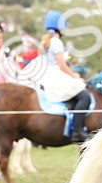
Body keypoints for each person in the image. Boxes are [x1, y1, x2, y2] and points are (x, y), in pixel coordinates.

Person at [39, 10, 92, 144]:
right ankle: (77, 130)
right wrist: (74, 75)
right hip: (56, 76)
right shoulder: (56, 42)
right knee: (85, 96)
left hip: (48, 75)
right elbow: (62, 66)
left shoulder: (45, 41)